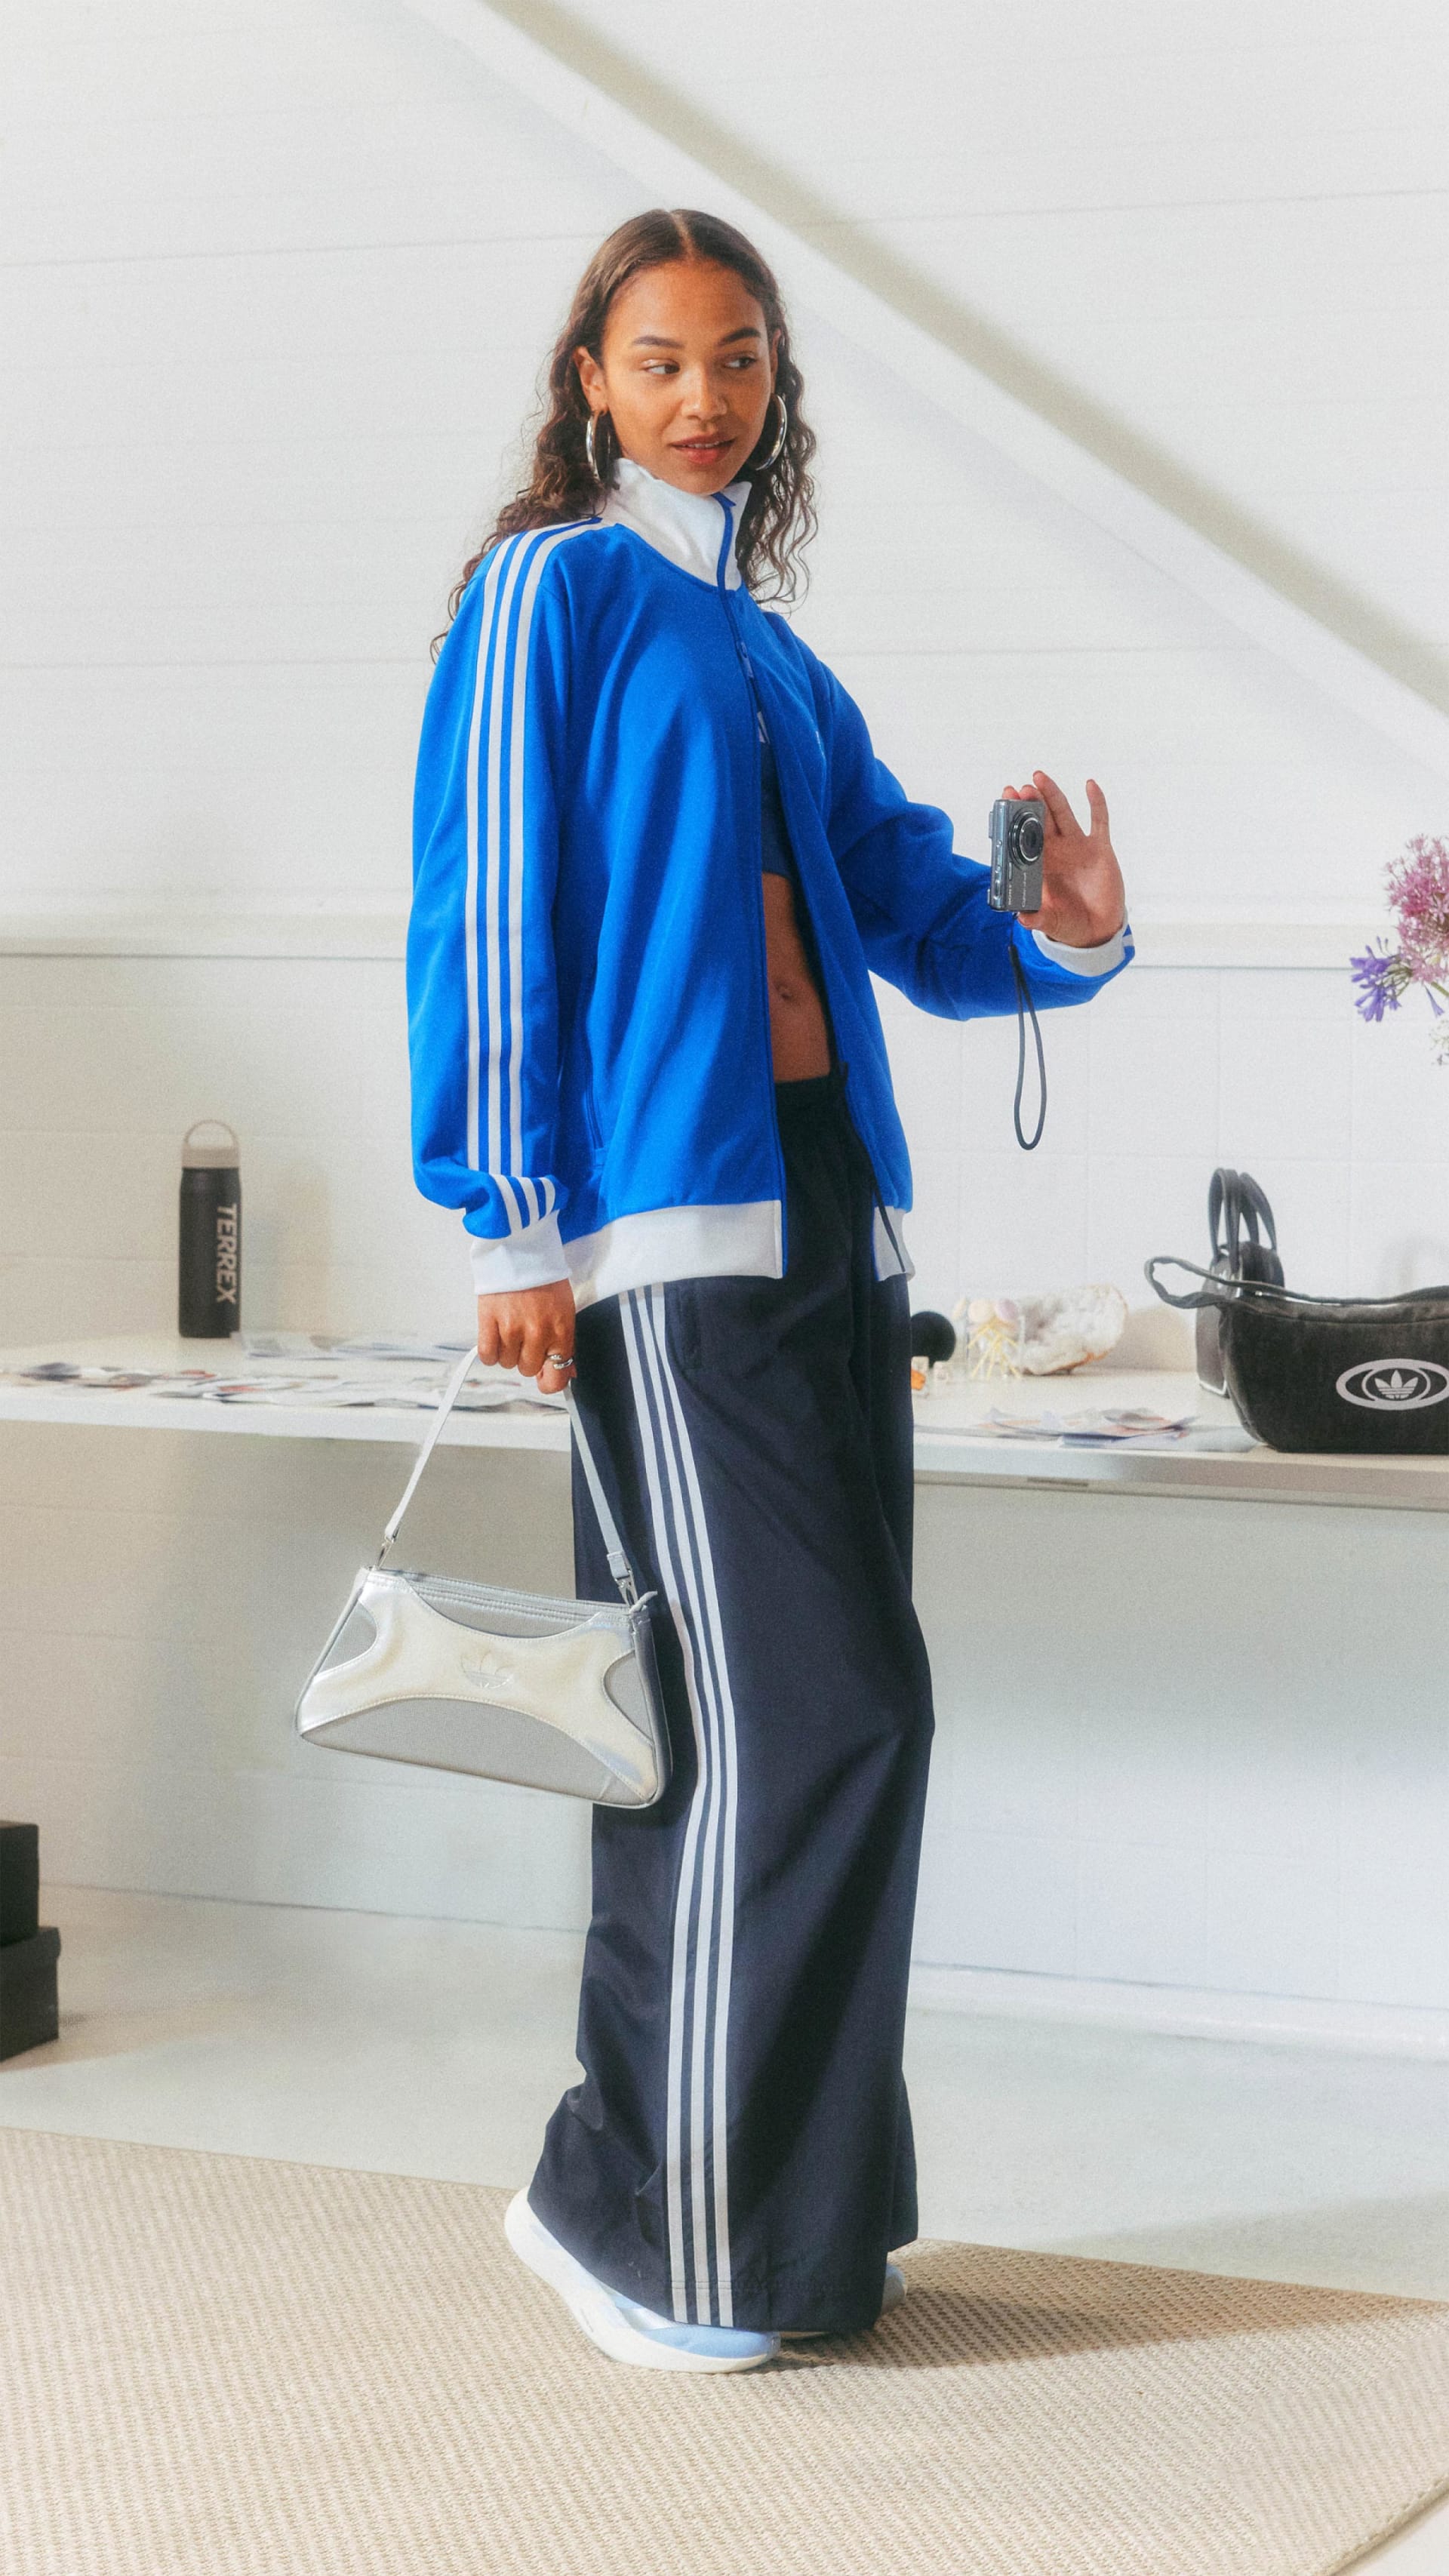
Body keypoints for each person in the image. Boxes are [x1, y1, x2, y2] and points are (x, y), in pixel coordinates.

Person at [408, 208, 1131, 2374]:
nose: (703, 393)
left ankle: (764, 2226)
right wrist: (515, 1220)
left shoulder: (774, 655)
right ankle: (647, 2227)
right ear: (590, 383)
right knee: (813, 1721)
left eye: (738, 358)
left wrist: (1066, 926)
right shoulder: (557, 592)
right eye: (660, 358)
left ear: (773, 390)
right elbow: (489, 902)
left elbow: (919, 909)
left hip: (829, 1230)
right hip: (663, 1247)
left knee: (770, 1731)